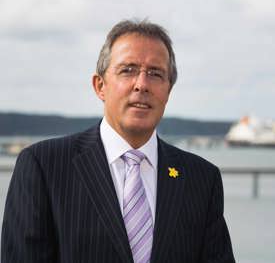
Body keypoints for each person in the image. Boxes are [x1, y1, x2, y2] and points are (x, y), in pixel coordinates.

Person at [1, 19, 235, 263]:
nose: (142, 84)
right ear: (100, 86)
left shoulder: (201, 179)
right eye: (128, 70)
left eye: (155, 74)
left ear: (168, 91)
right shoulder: (44, 166)